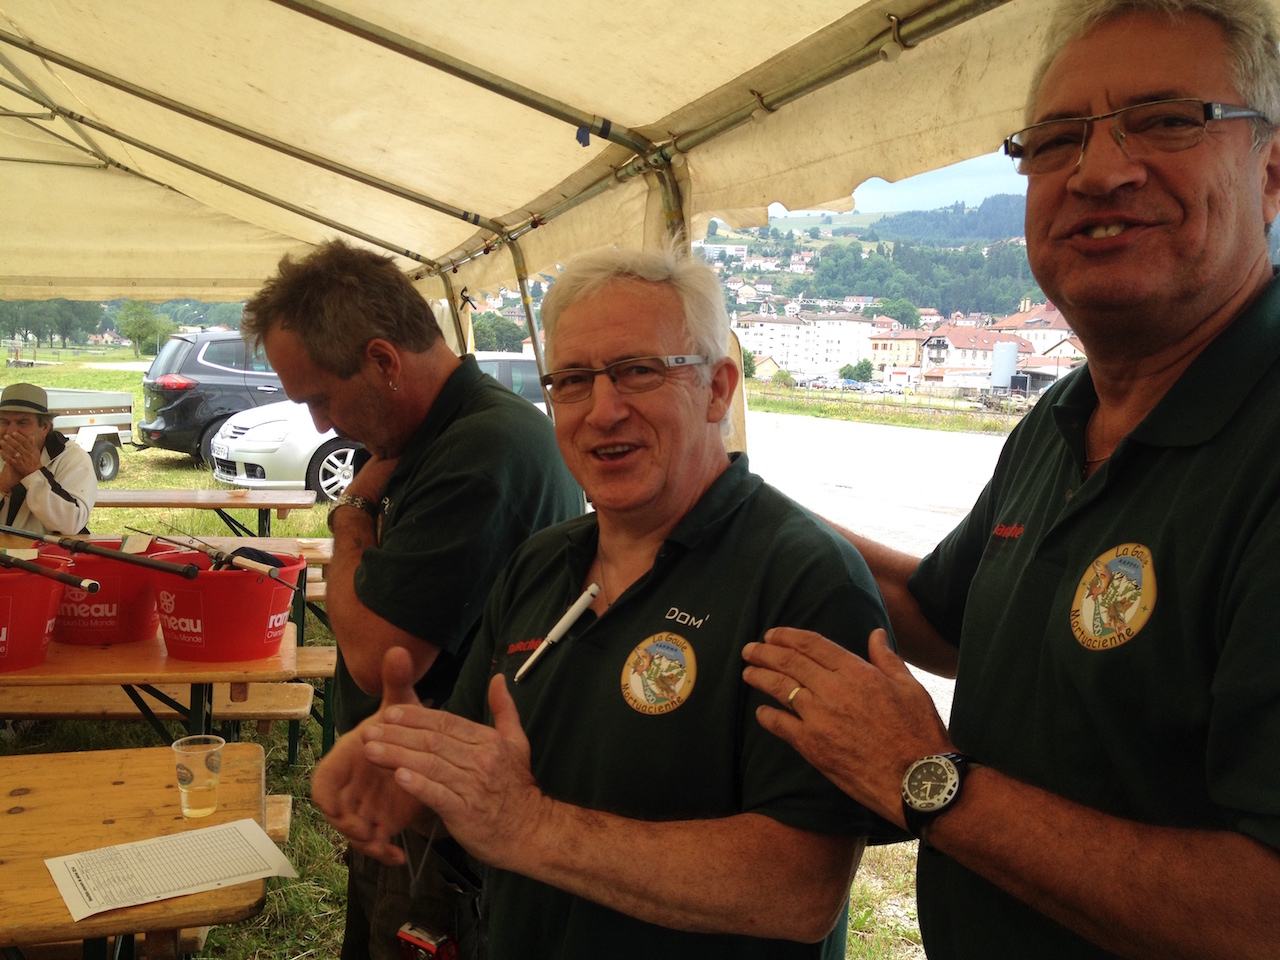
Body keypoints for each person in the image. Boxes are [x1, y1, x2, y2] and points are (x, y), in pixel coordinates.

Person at [741, 1, 1280, 957]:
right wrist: (738, 507)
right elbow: (943, 616)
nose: (1099, 170)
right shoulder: (1062, 416)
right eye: (1057, 138)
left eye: (1166, 120)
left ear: (1270, 172)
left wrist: (927, 777)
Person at [312, 245, 902, 959]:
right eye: (572, 381)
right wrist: (404, 769)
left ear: (718, 389)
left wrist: (534, 827)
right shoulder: (540, 565)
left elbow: (799, 888)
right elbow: (478, 771)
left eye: (638, 371)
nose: (603, 410)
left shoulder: (801, 581)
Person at [241, 239, 583, 960]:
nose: (320, 426)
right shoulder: (442, 436)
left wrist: (352, 514)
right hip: (413, 799)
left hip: (445, 825)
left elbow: (374, 655)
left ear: (383, 361)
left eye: (320, 398)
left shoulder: (479, 450)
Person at [0, 382, 95, 535]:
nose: (11, 432)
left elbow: (71, 523)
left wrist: (33, 473)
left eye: (22, 422)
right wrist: (2, 487)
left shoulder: (72, 458)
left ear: (45, 427)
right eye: (4, 422)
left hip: (48, 550)